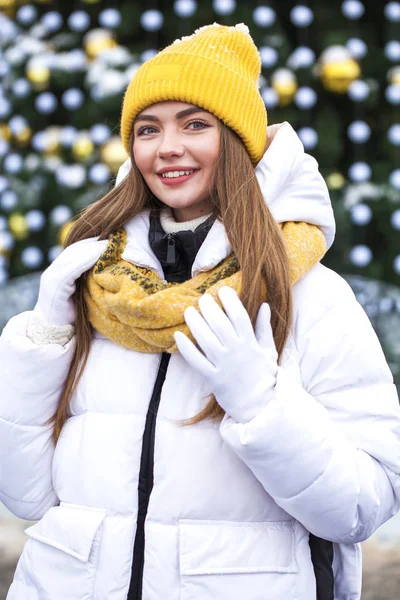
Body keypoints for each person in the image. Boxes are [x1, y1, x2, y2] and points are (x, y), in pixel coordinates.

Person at [0, 22, 399, 600]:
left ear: (236, 142)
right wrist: (42, 342)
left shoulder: (311, 296)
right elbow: (26, 496)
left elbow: (363, 506)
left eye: (195, 124)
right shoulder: (94, 289)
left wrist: (259, 399)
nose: (167, 148)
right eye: (147, 128)